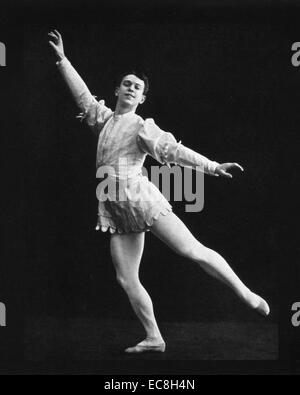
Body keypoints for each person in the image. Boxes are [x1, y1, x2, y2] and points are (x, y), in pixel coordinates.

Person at [48, 30, 270, 354]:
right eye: (127, 84)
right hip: (117, 208)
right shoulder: (105, 120)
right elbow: (83, 97)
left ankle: (245, 293)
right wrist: (63, 60)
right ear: (117, 90)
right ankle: (154, 337)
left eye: (137, 87)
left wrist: (211, 166)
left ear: (141, 98)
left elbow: (172, 151)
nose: (131, 88)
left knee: (191, 250)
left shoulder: (140, 126)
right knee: (126, 279)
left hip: (142, 200)